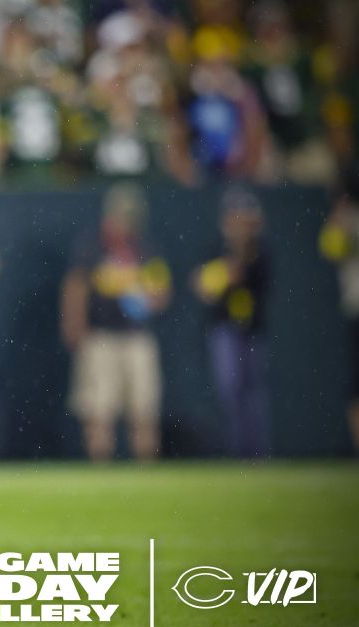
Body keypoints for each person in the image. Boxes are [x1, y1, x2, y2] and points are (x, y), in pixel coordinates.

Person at [61, 183, 171, 461]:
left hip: (137, 337)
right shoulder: (92, 246)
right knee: (98, 412)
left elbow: (162, 295)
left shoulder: (146, 248)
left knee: (144, 410)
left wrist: (141, 296)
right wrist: (76, 328)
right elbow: (75, 288)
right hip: (101, 337)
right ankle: (101, 474)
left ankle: (146, 474)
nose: (124, 222)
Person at [192, 187, 272, 457]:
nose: (240, 226)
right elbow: (202, 287)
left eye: (245, 220)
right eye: (236, 219)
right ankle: (239, 452)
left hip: (252, 329)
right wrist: (224, 273)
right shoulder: (216, 249)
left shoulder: (261, 251)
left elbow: (252, 280)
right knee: (230, 389)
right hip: (224, 328)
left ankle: (256, 453)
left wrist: (230, 272)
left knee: (253, 392)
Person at [319, 167, 359, 453]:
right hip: (356, 311)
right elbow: (331, 247)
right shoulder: (345, 220)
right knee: (354, 387)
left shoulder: (348, 219)